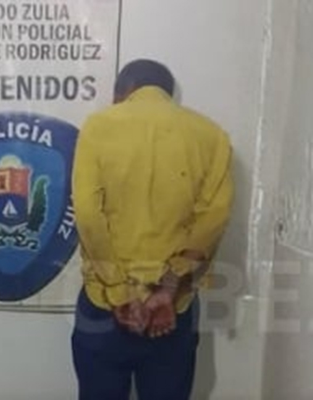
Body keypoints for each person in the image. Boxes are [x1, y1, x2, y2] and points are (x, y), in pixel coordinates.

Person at [71, 59, 234, 400]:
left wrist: (120, 291)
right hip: (171, 308)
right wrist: (168, 289)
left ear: (123, 92)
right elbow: (213, 220)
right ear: (167, 93)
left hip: (105, 305)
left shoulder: (99, 126)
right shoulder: (211, 136)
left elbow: (87, 214)